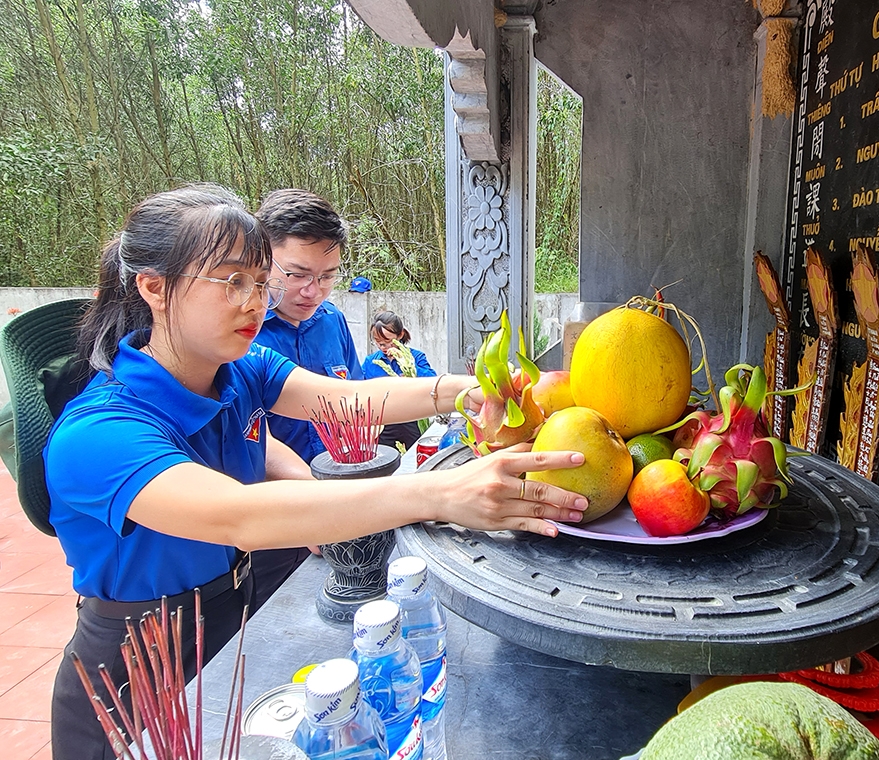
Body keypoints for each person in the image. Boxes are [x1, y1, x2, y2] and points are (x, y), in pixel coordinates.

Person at [43, 185, 586, 760]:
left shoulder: (239, 369)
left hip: (233, 625)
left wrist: (463, 391)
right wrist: (441, 493)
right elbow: (240, 517)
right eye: (232, 282)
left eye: (258, 282)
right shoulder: (99, 432)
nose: (254, 302)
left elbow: (347, 401)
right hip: (136, 678)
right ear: (154, 287)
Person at [249, 189, 362, 609]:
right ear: (261, 259)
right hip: (271, 522)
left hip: (337, 506)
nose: (312, 291)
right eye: (296, 274)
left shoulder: (332, 322)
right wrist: (311, 500)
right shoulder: (242, 334)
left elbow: (357, 401)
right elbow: (244, 432)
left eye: (328, 276)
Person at [362, 310, 437, 450]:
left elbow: (432, 380)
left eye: (388, 341)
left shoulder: (416, 357)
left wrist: (408, 365)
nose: (383, 347)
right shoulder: (371, 361)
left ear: (400, 335)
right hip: (384, 421)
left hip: (413, 417)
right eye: (379, 343)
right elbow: (360, 388)